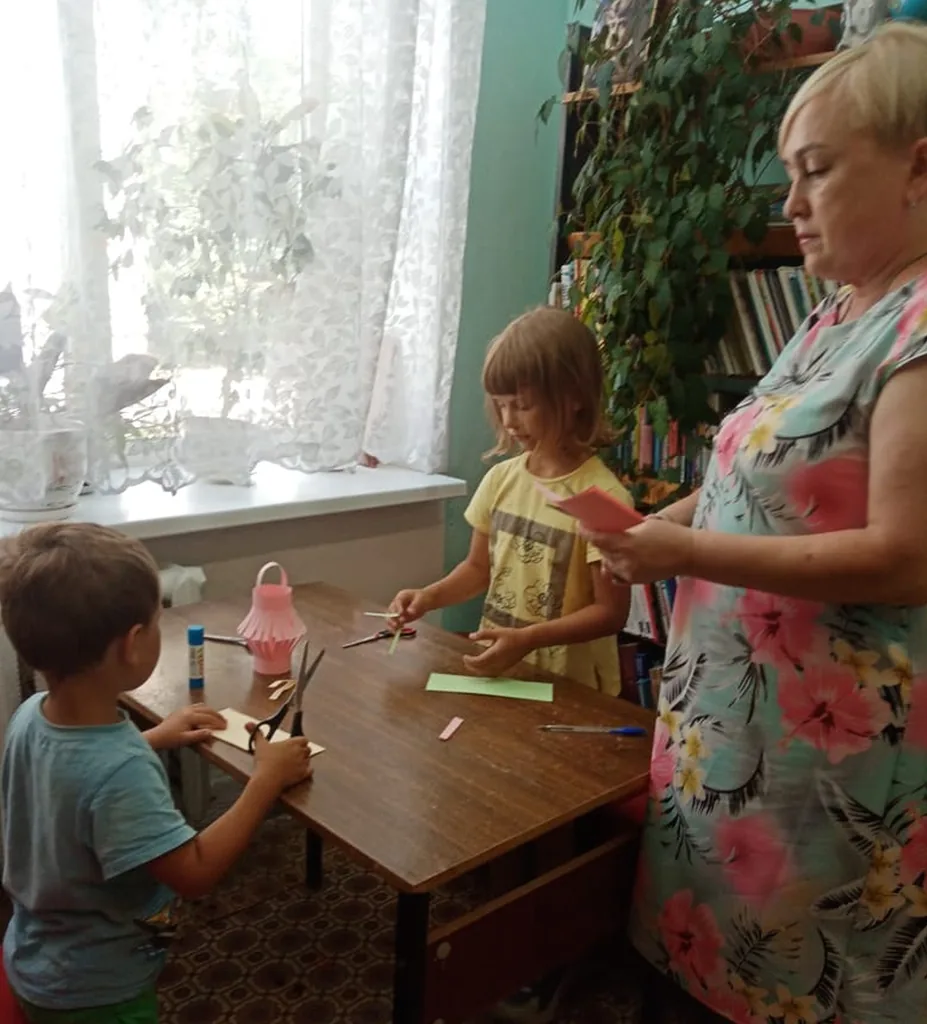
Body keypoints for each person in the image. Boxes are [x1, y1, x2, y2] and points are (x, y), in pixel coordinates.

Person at [584, 23, 927, 1024]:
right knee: (703, 979)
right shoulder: (833, 312)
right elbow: (753, 475)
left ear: (918, 169)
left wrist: (684, 549)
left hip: (827, 773)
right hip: (733, 742)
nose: (789, 204)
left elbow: (906, 557)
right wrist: (659, 520)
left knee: (796, 987)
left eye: (815, 171)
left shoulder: (919, 326)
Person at [0, 522, 313, 1024]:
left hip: (35, 954)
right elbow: (195, 871)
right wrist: (265, 780)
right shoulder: (120, 771)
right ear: (132, 644)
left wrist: (154, 737)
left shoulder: (30, 716)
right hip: (98, 993)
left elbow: (73, 778)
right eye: (156, 621)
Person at [390, 305, 632, 693]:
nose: (507, 420)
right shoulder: (500, 479)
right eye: (500, 405)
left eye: (521, 405)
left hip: (571, 685)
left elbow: (610, 612)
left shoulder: (604, 499)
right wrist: (427, 597)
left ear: (574, 398)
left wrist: (529, 639)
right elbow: (477, 569)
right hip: (503, 669)